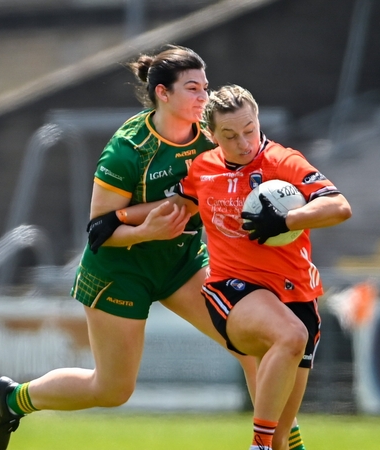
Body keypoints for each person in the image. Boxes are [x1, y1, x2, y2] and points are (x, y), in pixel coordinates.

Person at [0, 45, 263, 450]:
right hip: (120, 270)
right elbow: (98, 229)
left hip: (181, 263)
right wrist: (143, 232)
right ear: (163, 94)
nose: (204, 97)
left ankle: (276, 444)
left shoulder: (212, 133)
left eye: (205, 87)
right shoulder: (129, 149)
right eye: (192, 88)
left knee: (252, 345)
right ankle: (12, 400)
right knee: (113, 390)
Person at [117, 85, 352, 450]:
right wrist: (114, 218)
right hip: (234, 292)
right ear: (211, 136)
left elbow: (339, 206)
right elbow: (173, 207)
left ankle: (267, 444)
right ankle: (256, 446)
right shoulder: (203, 169)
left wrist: (289, 220)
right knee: (289, 338)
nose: (243, 142)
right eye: (229, 135)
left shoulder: (284, 162)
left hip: (298, 297)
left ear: (258, 121)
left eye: (249, 130)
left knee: (283, 439)